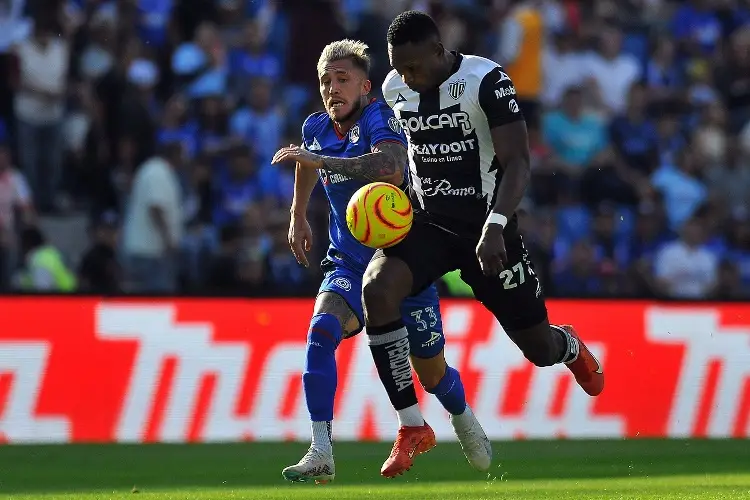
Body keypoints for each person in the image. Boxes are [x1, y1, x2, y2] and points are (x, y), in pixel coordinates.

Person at [357, 11, 605, 474]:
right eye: (399, 67)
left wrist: (495, 224)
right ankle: (412, 424)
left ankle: (567, 346)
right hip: (428, 224)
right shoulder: (395, 88)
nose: (406, 77)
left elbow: (519, 163)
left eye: (414, 67)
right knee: (377, 288)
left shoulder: (486, 80)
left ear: (439, 51)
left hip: (488, 231)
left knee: (539, 351)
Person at [271, 39, 491, 482]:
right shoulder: (316, 128)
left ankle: (462, 417)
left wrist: (317, 157)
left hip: (401, 265)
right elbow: (308, 166)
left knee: (430, 371)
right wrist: (297, 215)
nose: (333, 89)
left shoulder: (379, 118)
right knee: (321, 332)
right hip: (350, 264)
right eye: (325, 81)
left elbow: (389, 166)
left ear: (366, 86)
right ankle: (321, 448)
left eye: (343, 79)